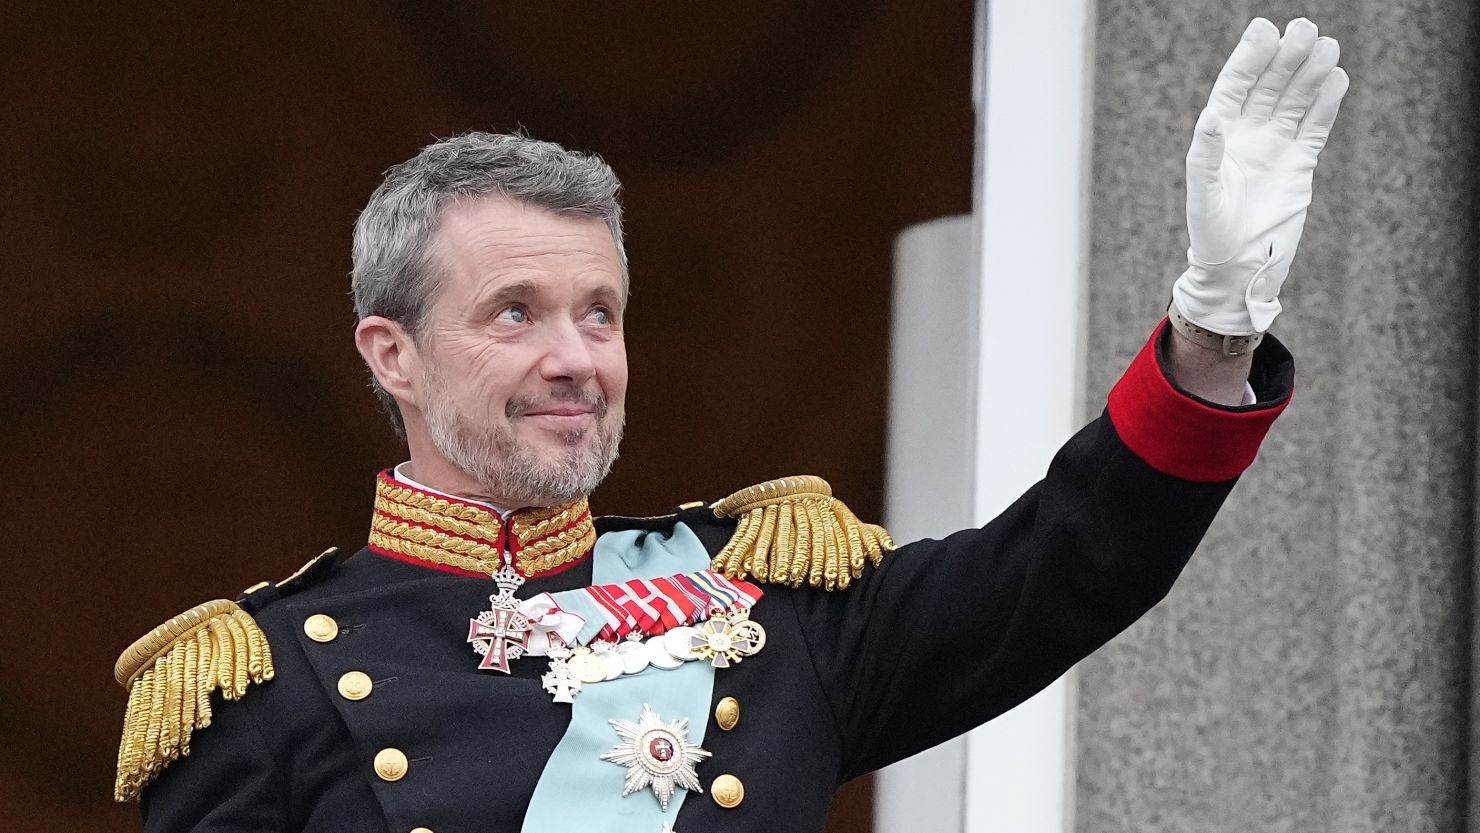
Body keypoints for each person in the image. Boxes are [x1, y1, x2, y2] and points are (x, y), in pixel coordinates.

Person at [111, 17, 1346, 833]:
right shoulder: (258, 687)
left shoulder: (765, 609)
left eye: (601, 312)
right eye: (515, 312)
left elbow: (1071, 560)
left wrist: (1214, 327)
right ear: (395, 354)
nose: (573, 358)